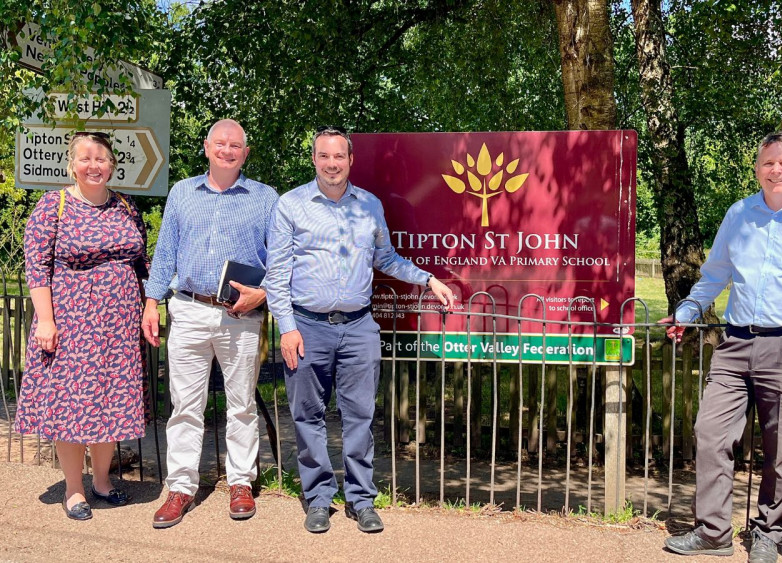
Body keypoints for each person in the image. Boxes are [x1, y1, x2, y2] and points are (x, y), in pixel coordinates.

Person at [660, 131, 782, 563]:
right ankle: (714, 533)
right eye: (768, 163)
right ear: (757, 169)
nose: (776, 170)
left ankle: (767, 534)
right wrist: (687, 313)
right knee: (710, 433)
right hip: (736, 341)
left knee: (781, 448)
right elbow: (715, 274)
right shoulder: (739, 214)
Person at [265, 127, 454, 534]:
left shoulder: (369, 206)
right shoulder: (290, 205)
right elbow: (276, 274)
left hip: (359, 328)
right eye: (324, 156)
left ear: (350, 160)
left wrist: (427, 280)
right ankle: (317, 498)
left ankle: (361, 499)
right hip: (307, 328)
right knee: (307, 416)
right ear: (314, 159)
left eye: (339, 156)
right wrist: (287, 328)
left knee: (360, 417)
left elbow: (386, 257)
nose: (332, 164)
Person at [141, 119, 278, 528]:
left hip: (241, 314)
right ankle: (180, 487)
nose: (227, 150)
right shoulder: (183, 193)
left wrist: (265, 292)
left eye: (236, 145)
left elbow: (283, 258)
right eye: (220, 143)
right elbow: (165, 253)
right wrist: (152, 301)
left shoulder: (265, 198)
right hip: (189, 309)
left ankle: (240, 482)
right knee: (184, 405)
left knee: (241, 404)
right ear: (206, 147)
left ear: (246, 153)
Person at [16, 131, 149, 520]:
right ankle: (74, 490)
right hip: (71, 322)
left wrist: (150, 304)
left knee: (110, 401)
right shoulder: (51, 206)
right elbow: (36, 266)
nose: (95, 165)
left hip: (119, 323)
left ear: (112, 164)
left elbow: (142, 263)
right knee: (72, 404)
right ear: (72, 164)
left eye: (102, 158)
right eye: (86, 158)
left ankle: (102, 482)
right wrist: (46, 320)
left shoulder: (126, 206)